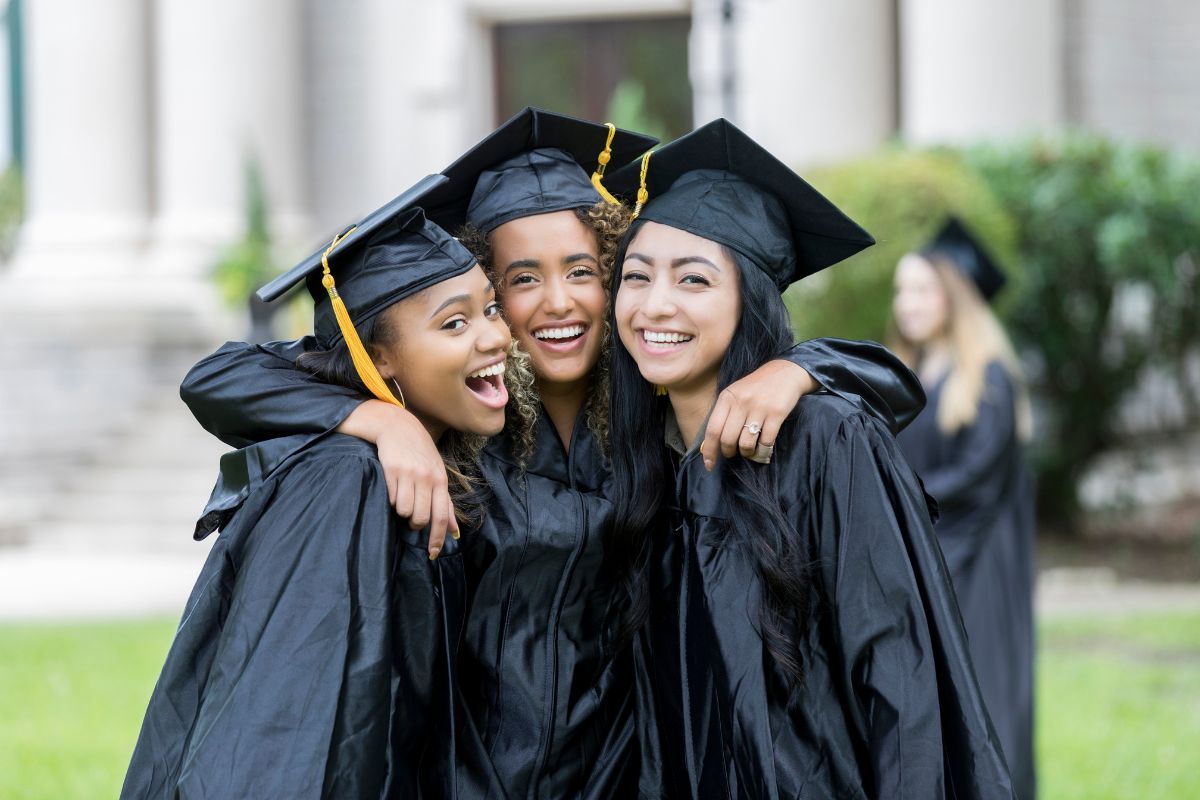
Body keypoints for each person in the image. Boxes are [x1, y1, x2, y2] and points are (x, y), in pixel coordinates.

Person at [175, 109, 924, 798]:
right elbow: (223, 376)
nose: (557, 302)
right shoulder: (459, 429)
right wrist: (375, 418)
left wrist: (797, 368)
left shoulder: (650, 417)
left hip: (621, 778)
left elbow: (874, 389)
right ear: (487, 294)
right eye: (520, 281)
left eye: (582, 270)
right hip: (467, 779)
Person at [604, 120, 1016, 798]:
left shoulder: (825, 438)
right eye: (637, 276)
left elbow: (900, 679)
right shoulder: (639, 456)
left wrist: (807, 370)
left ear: (749, 300)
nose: (656, 305)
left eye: (694, 280)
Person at [122, 196, 514, 798]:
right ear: (376, 358)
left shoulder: (438, 459)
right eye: (454, 323)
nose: (496, 337)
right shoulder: (342, 480)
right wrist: (379, 419)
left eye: (491, 309)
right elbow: (283, 733)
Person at [891, 217, 1036, 799]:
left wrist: (903, 500)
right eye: (902, 291)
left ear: (954, 296)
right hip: (927, 551)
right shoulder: (906, 374)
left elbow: (977, 479)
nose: (908, 304)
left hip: (976, 561)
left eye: (922, 290)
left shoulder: (990, 377)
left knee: (986, 692)